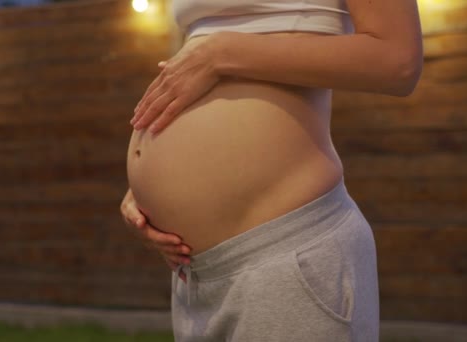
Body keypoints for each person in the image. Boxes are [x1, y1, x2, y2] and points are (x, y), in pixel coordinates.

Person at [120, 0, 423, 341]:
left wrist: (222, 52)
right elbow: (191, 64)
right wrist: (151, 191)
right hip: (195, 275)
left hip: (286, 253)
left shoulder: (223, 51)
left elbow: (398, 60)